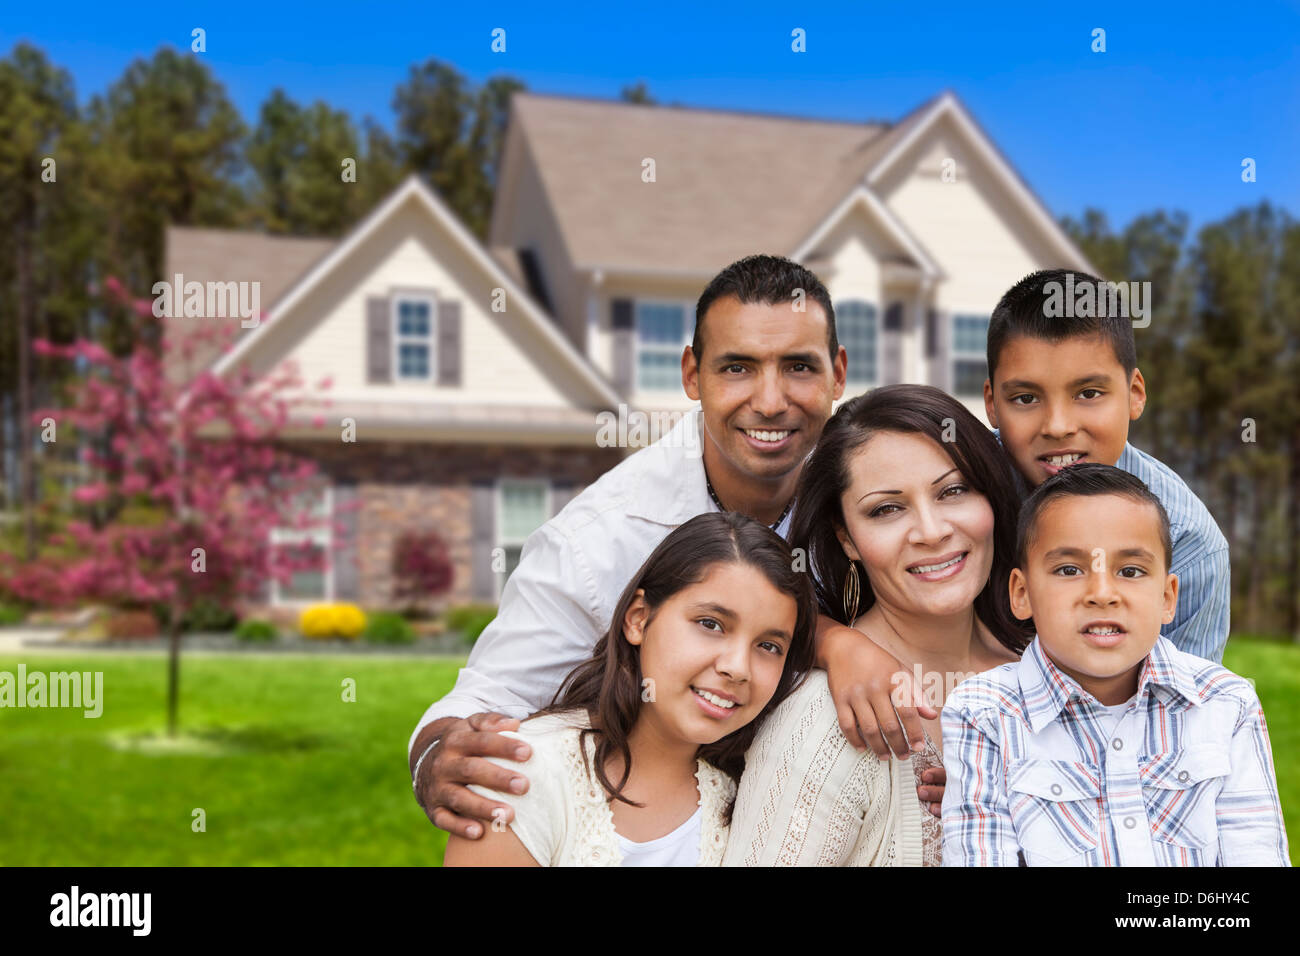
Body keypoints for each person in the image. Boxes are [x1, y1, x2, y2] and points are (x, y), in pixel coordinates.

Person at [411, 255, 948, 843]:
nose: (770, 402)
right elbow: (491, 696)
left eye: (798, 366)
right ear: (692, 374)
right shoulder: (598, 540)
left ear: (838, 373)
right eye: (737, 368)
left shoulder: (870, 483)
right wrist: (438, 755)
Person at [721, 385, 1033, 866]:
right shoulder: (824, 720)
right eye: (887, 509)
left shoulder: (1050, 671)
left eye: (953, 491)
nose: (931, 531)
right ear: (847, 538)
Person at [941, 464, 1288, 866]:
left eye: (1130, 571)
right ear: (1021, 593)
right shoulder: (983, 714)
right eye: (1069, 570)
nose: (1102, 594)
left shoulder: (1226, 704)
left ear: (1166, 597)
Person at [442, 512, 817, 866]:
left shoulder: (752, 793)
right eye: (710, 624)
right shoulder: (525, 774)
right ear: (638, 619)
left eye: (769, 646)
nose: (737, 668)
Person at [982, 268, 1230, 662]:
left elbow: (1185, 709)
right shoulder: (957, 491)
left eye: (1089, 393)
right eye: (1026, 399)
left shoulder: (1190, 544)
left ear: (1134, 394)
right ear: (992, 404)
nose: (1058, 426)